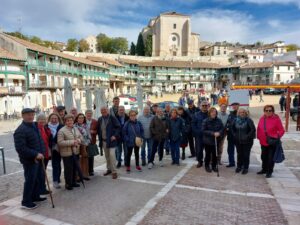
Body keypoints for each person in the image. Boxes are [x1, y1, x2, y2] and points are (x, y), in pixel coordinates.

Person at [14, 108, 46, 209]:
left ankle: (35, 196)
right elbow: (21, 148)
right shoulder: (20, 130)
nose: (30, 117)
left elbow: (39, 141)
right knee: (30, 180)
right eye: (28, 115)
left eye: (32, 114)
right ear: (23, 116)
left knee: (37, 179)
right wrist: (35, 154)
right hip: (29, 160)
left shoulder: (34, 126)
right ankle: (26, 201)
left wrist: (42, 152)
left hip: (38, 158)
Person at [257, 105, 285, 178]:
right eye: (266, 110)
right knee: (263, 157)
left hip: (272, 142)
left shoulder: (276, 119)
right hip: (263, 142)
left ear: (273, 111)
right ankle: (264, 169)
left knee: (270, 158)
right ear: (264, 111)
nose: (268, 112)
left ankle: (269, 171)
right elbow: (259, 128)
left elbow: (282, 130)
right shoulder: (262, 118)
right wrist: (259, 137)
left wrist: (275, 136)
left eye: (270, 110)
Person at [57, 114, 83, 190]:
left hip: (75, 151)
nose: (70, 122)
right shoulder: (61, 131)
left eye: (71, 120)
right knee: (68, 169)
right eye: (68, 120)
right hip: (67, 153)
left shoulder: (75, 128)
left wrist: (79, 140)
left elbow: (80, 136)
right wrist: (72, 142)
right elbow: (60, 142)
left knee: (75, 168)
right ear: (65, 122)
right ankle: (68, 184)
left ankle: (74, 182)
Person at [97, 106, 121, 179]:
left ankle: (114, 171)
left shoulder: (112, 118)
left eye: (105, 110)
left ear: (107, 110)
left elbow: (118, 127)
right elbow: (99, 130)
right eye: (102, 110)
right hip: (104, 141)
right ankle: (109, 169)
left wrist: (115, 135)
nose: (103, 111)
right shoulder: (100, 119)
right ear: (101, 112)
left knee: (112, 156)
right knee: (107, 156)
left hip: (111, 141)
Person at [232, 108, 256, 174]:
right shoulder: (235, 120)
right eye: (240, 112)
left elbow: (253, 130)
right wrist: (235, 135)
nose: (242, 113)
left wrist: (247, 136)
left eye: (243, 112)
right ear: (238, 113)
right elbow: (232, 128)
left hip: (247, 141)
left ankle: (246, 167)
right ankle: (239, 166)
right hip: (238, 140)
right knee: (239, 154)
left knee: (246, 154)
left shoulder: (249, 120)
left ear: (246, 113)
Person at [202, 107, 224, 173]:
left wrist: (219, 133)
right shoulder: (205, 121)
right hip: (208, 141)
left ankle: (214, 166)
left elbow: (222, 128)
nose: (213, 113)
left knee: (215, 154)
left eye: (214, 112)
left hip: (216, 141)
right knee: (208, 154)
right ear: (209, 113)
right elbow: (203, 130)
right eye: (212, 112)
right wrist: (212, 133)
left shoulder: (219, 120)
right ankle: (207, 166)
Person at [36, 113, 52, 195]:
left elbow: (48, 140)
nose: (42, 121)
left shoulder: (45, 128)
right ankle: (40, 189)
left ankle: (43, 188)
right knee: (40, 173)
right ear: (37, 120)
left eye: (44, 119)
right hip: (40, 154)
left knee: (43, 171)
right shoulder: (36, 129)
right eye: (40, 119)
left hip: (46, 153)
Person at [46, 113, 63, 189]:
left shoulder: (61, 126)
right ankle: (55, 181)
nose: (54, 120)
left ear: (58, 119)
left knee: (58, 164)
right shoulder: (46, 127)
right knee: (55, 164)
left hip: (59, 148)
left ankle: (58, 178)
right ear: (49, 119)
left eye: (55, 118)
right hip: (50, 149)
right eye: (52, 118)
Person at [192, 101, 209, 168]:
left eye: (206, 105)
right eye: (203, 105)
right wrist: (197, 131)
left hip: (208, 135)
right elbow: (193, 124)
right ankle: (200, 161)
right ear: (200, 106)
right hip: (199, 135)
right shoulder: (196, 114)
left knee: (208, 150)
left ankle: (207, 162)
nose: (204, 107)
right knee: (199, 150)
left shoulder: (210, 114)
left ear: (208, 106)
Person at [74, 113, 91, 180]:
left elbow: (89, 135)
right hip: (78, 145)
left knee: (85, 160)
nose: (81, 119)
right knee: (78, 161)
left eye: (82, 118)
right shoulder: (74, 126)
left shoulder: (86, 125)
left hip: (85, 145)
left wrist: (88, 142)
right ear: (77, 118)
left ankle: (85, 174)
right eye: (79, 118)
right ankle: (78, 176)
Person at [85, 110, 99, 176]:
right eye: (88, 114)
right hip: (84, 142)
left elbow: (98, 131)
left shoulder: (95, 121)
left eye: (90, 114)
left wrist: (94, 132)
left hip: (91, 141)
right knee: (85, 156)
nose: (89, 115)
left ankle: (91, 170)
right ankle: (85, 170)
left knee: (91, 156)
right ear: (85, 114)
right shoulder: (83, 121)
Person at [226, 102, 239, 167]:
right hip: (230, 136)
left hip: (238, 137)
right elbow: (227, 123)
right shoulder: (230, 114)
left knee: (239, 151)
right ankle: (231, 163)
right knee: (230, 151)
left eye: (235, 105)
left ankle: (240, 164)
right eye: (233, 105)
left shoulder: (241, 114)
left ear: (238, 106)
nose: (234, 106)